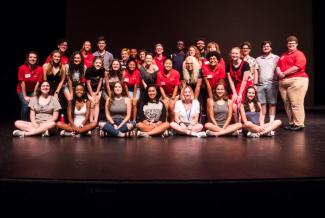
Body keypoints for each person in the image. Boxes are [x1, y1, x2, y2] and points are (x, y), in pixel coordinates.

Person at [276, 36, 309, 131]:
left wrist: (284, 73)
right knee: (287, 104)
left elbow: (297, 66)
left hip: (297, 80)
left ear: (296, 44)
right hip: (283, 81)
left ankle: (299, 124)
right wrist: (279, 72)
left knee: (296, 103)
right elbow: (278, 65)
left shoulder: (299, 54)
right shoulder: (284, 55)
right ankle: (292, 123)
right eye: (289, 43)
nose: (291, 45)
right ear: (287, 44)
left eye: (293, 43)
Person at [255, 40, 279, 124]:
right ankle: (262, 121)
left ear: (271, 48)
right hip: (260, 84)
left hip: (272, 84)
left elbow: (279, 70)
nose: (266, 48)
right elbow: (256, 72)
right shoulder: (258, 59)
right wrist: (255, 84)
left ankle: (271, 121)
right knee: (262, 104)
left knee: (272, 103)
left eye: (267, 46)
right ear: (262, 48)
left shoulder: (276, 58)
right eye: (264, 47)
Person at [16, 51, 44, 121]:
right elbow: (22, 83)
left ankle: (35, 122)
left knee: (34, 104)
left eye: (34, 57)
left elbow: (38, 82)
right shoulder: (22, 68)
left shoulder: (40, 69)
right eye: (30, 57)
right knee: (25, 104)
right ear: (27, 59)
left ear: (37, 59)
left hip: (32, 90)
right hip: (22, 90)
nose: (32, 59)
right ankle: (24, 123)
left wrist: (34, 93)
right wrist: (25, 96)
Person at [226, 47, 251, 122]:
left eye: (236, 53)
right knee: (233, 102)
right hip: (234, 86)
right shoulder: (228, 65)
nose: (234, 55)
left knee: (240, 102)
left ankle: (242, 121)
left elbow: (245, 80)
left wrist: (240, 94)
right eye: (233, 53)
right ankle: (236, 122)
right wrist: (234, 93)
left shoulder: (245, 64)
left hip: (244, 85)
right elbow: (231, 81)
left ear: (240, 54)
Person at [85, 57, 105, 123]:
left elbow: (100, 82)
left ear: (102, 64)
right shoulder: (88, 70)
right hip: (89, 90)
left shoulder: (102, 70)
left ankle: (95, 120)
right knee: (92, 102)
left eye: (100, 63)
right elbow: (88, 84)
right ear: (93, 63)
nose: (98, 64)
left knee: (97, 102)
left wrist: (97, 92)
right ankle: (91, 120)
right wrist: (92, 94)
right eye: (96, 63)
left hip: (98, 90)